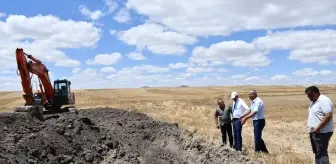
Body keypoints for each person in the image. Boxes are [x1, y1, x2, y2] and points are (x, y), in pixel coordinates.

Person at [305, 86, 334, 164]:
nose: (308, 97)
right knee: (317, 152)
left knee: (322, 153)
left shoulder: (324, 100)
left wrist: (317, 129)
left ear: (314, 93)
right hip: (315, 132)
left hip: (322, 132)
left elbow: (328, 115)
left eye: (309, 95)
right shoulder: (314, 101)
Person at [241, 90, 269, 154]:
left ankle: (256, 153)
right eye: (249, 94)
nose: (249, 96)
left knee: (257, 138)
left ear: (254, 95)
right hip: (256, 121)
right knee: (258, 137)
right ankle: (265, 151)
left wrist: (245, 118)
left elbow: (254, 112)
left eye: (250, 94)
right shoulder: (253, 102)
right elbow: (250, 110)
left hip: (259, 121)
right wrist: (242, 116)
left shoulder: (258, 102)